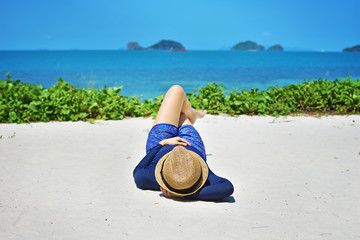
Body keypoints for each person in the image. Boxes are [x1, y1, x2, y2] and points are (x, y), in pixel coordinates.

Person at [133, 85, 234, 201]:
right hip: (191, 144)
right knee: (180, 111)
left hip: (162, 143)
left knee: (177, 91)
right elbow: (227, 188)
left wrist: (162, 143)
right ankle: (193, 114)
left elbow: (138, 171)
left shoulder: (153, 177)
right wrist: (185, 194)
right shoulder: (198, 174)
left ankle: (192, 113)